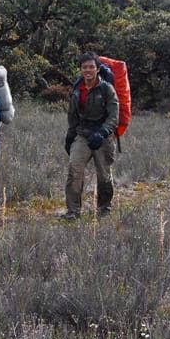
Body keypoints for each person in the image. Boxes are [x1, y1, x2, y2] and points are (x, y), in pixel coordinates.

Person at [63, 52, 120, 218]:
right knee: (74, 170)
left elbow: (114, 116)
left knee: (104, 176)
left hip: (103, 137)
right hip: (82, 135)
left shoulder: (107, 89)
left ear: (97, 69)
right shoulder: (77, 89)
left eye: (91, 67)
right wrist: (70, 135)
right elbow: (72, 114)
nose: (88, 70)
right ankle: (73, 212)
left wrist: (102, 133)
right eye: (84, 67)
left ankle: (104, 209)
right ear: (80, 69)